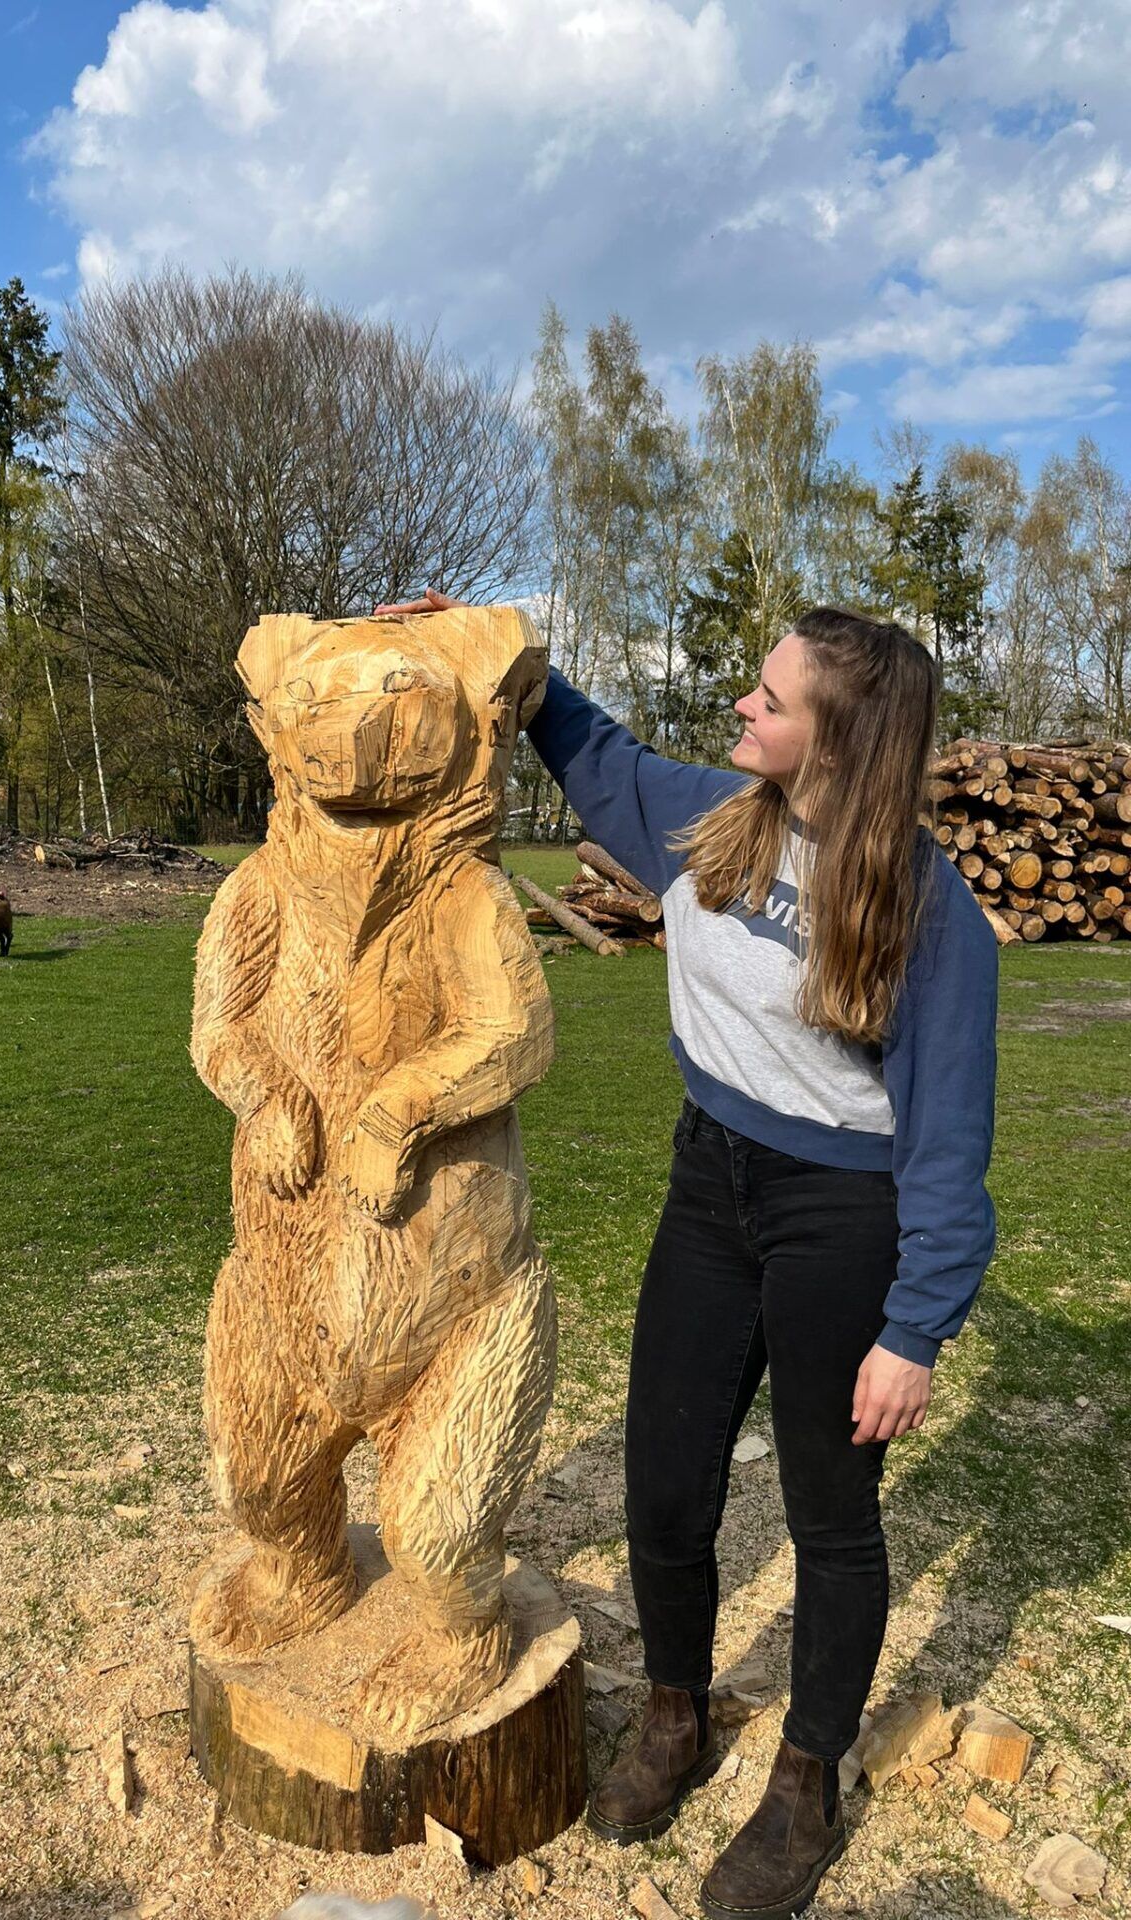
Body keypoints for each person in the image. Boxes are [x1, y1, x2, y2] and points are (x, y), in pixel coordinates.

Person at [374, 591, 998, 1920]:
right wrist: (489, 639)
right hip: (708, 1182)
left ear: (840, 741)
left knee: (833, 1521)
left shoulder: (929, 915)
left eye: (770, 701)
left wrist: (915, 1327)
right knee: (665, 1488)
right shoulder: (712, 818)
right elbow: (584, 745)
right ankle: (676, 1715)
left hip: (845, 1215)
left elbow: (948, 1143)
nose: (742, 709)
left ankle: (807, 1784)